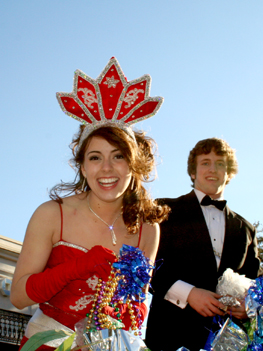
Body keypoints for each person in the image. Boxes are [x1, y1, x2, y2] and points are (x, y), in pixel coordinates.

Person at [10, 58, 169, 350]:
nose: (106, 168)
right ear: (83, 167)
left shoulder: (148, 230)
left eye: (118, 156)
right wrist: (76, 267)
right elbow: (19, 296)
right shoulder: (51, 214)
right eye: (95, 157)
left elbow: (135, 308)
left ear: (133, 165)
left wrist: (110, 332)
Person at [146, 138, 260, 351]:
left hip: (229, 339)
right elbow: (145, 265)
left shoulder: (246, 228)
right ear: (193, 172)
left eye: (220, 163)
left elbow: (254, 277)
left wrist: (250, 305)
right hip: (170, 333)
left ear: (229, 173)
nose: (213, 169)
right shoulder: (163, 209)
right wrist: (188, 293)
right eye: (205, 162)